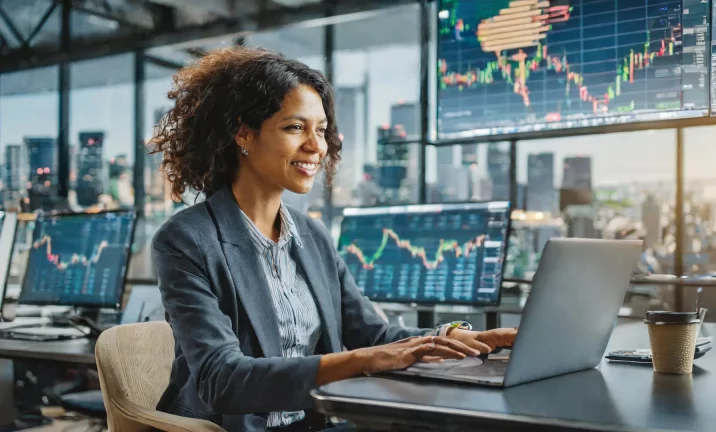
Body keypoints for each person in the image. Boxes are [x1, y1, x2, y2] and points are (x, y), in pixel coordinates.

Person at [149, 47, 517, 432]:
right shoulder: (186, 240)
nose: (317, 146)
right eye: (295, 128)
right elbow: (222, 379)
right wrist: (365, 360)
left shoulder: (312, 235)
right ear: (243, 132)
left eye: (321, 130)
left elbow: (375, 335)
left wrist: (465, 339)